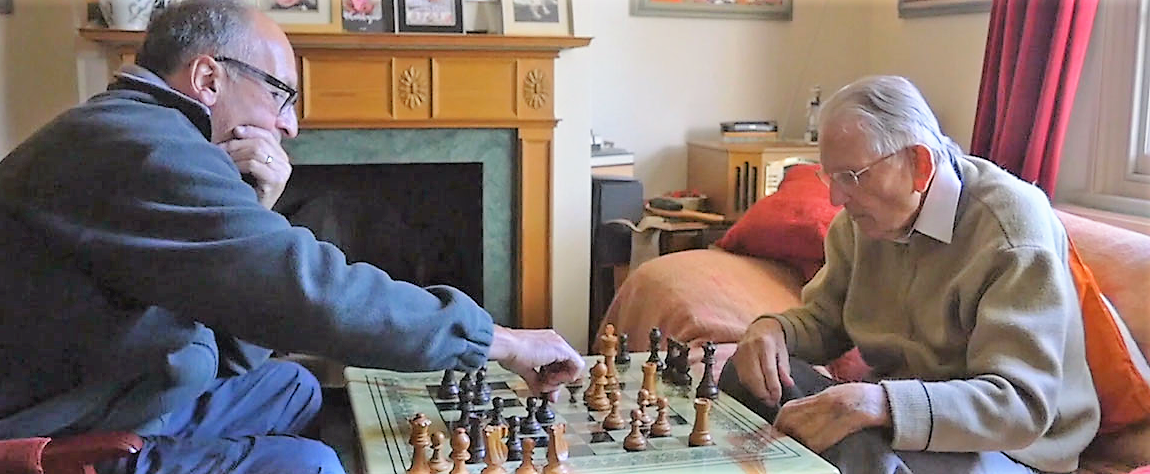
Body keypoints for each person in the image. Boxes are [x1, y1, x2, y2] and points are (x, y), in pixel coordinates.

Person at [0, 1, 583, 473]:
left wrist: (255, 204)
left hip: (123, 387)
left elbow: (245, 326)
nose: (291, 125)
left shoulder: (137, 132)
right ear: (208, 78)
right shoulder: (143, 149)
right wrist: (500, 341)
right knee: (313, 464)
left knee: (293, 388)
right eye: (281, 94)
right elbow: (309, 292)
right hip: (61, 434)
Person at [719, 76, 1100, 474]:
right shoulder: (862, 222)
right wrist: (773, 331)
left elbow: (1019, 406)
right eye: (830, 177)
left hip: (1011, 447)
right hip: (898, 412)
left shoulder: (1011, 231)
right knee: (746, 373)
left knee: (852, 446)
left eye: (852, 176)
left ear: (918, 164)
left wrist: (880, 405)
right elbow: (827, 319)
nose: (836, 198)